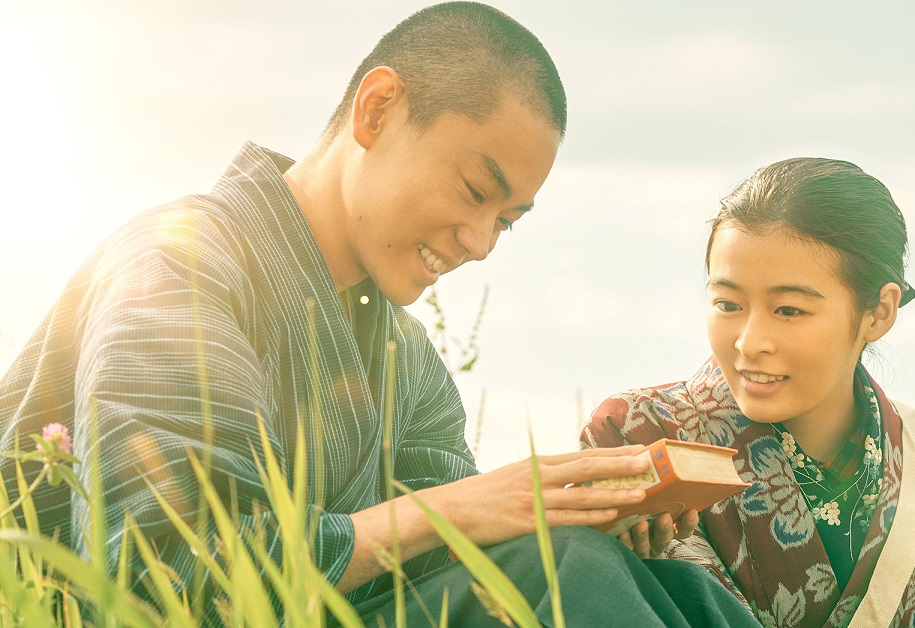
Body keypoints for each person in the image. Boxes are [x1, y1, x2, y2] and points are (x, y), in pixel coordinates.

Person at [0, 3, 758, 625]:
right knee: (564, 574)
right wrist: (465, 510)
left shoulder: (407, 362)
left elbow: (443, 562)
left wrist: (571, 517)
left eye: (508, 221)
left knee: (646, 580)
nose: (481, 244)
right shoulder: (175, 264)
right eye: (473, 191)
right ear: (378, 108)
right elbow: (168, 576)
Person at [582, 158, 915, 627]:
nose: (750, 342)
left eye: (789, 310)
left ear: (878, 312)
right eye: (728, 304)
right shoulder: (635, 434)